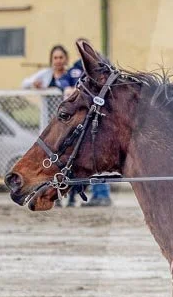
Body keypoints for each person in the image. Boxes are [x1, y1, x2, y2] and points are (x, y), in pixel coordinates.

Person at [23, 44, 111, 207]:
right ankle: (51, 192)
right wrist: (37, 85)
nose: (58, 61)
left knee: (83, 157)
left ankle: (90, 195)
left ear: (66, 59)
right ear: (51, 60)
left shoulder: (72, 76)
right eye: (55, 58)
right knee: (53, 161)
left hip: (71, 127)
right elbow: (25, 83)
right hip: (53, 126)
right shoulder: (47, 76)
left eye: (61, 58)